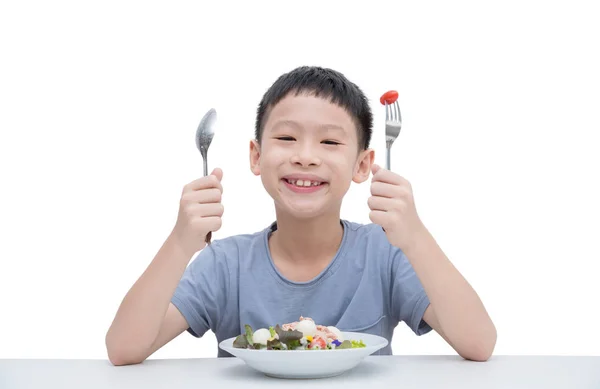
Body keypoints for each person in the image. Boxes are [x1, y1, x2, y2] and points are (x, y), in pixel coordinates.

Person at [105, 66, 496, 365]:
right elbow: (124, 349)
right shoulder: (226, 264)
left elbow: (478, 343)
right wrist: (179, 243)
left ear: (362, 165)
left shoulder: (386, 254)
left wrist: (415, 237)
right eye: (287, 137)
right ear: (256, 157)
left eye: (329, 141)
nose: (305, 155)